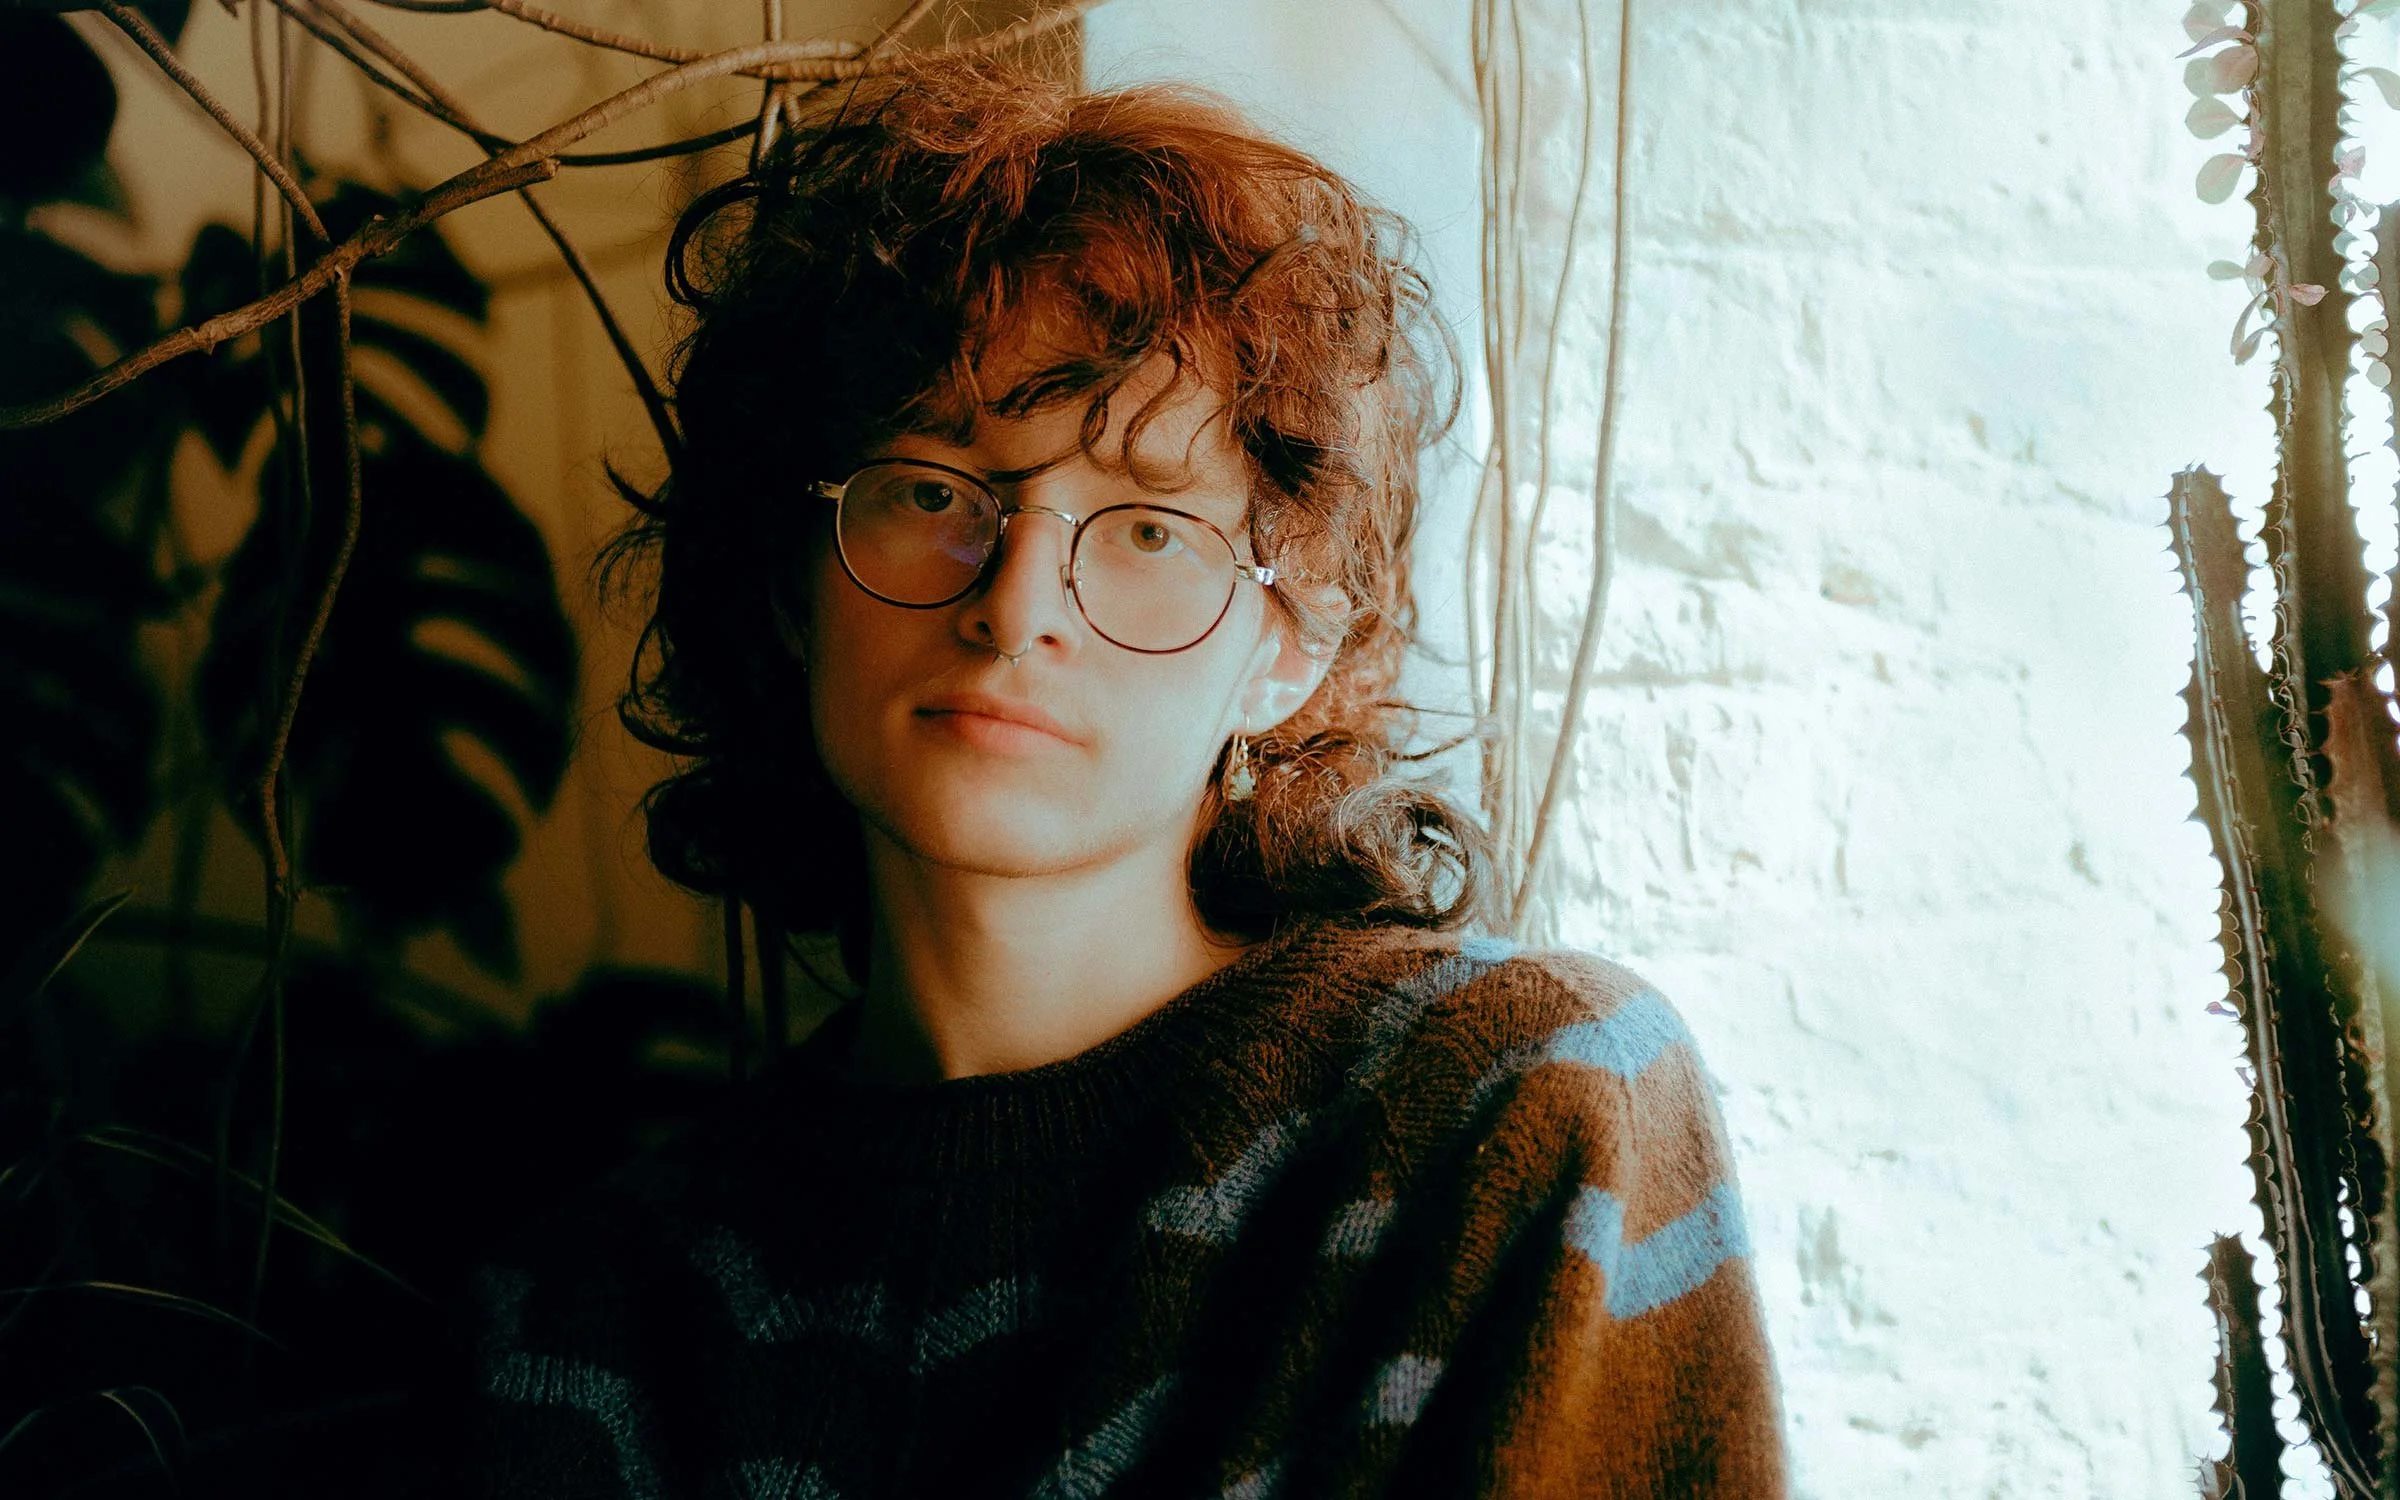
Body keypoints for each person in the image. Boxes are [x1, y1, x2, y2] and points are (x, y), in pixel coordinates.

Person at [449, 52, 1787, 1500]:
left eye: (1148, 528)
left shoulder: (1519, 1113)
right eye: (932, 491)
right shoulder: (601, 1307)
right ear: (793, 583)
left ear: (1289, 648)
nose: (1016, 604)